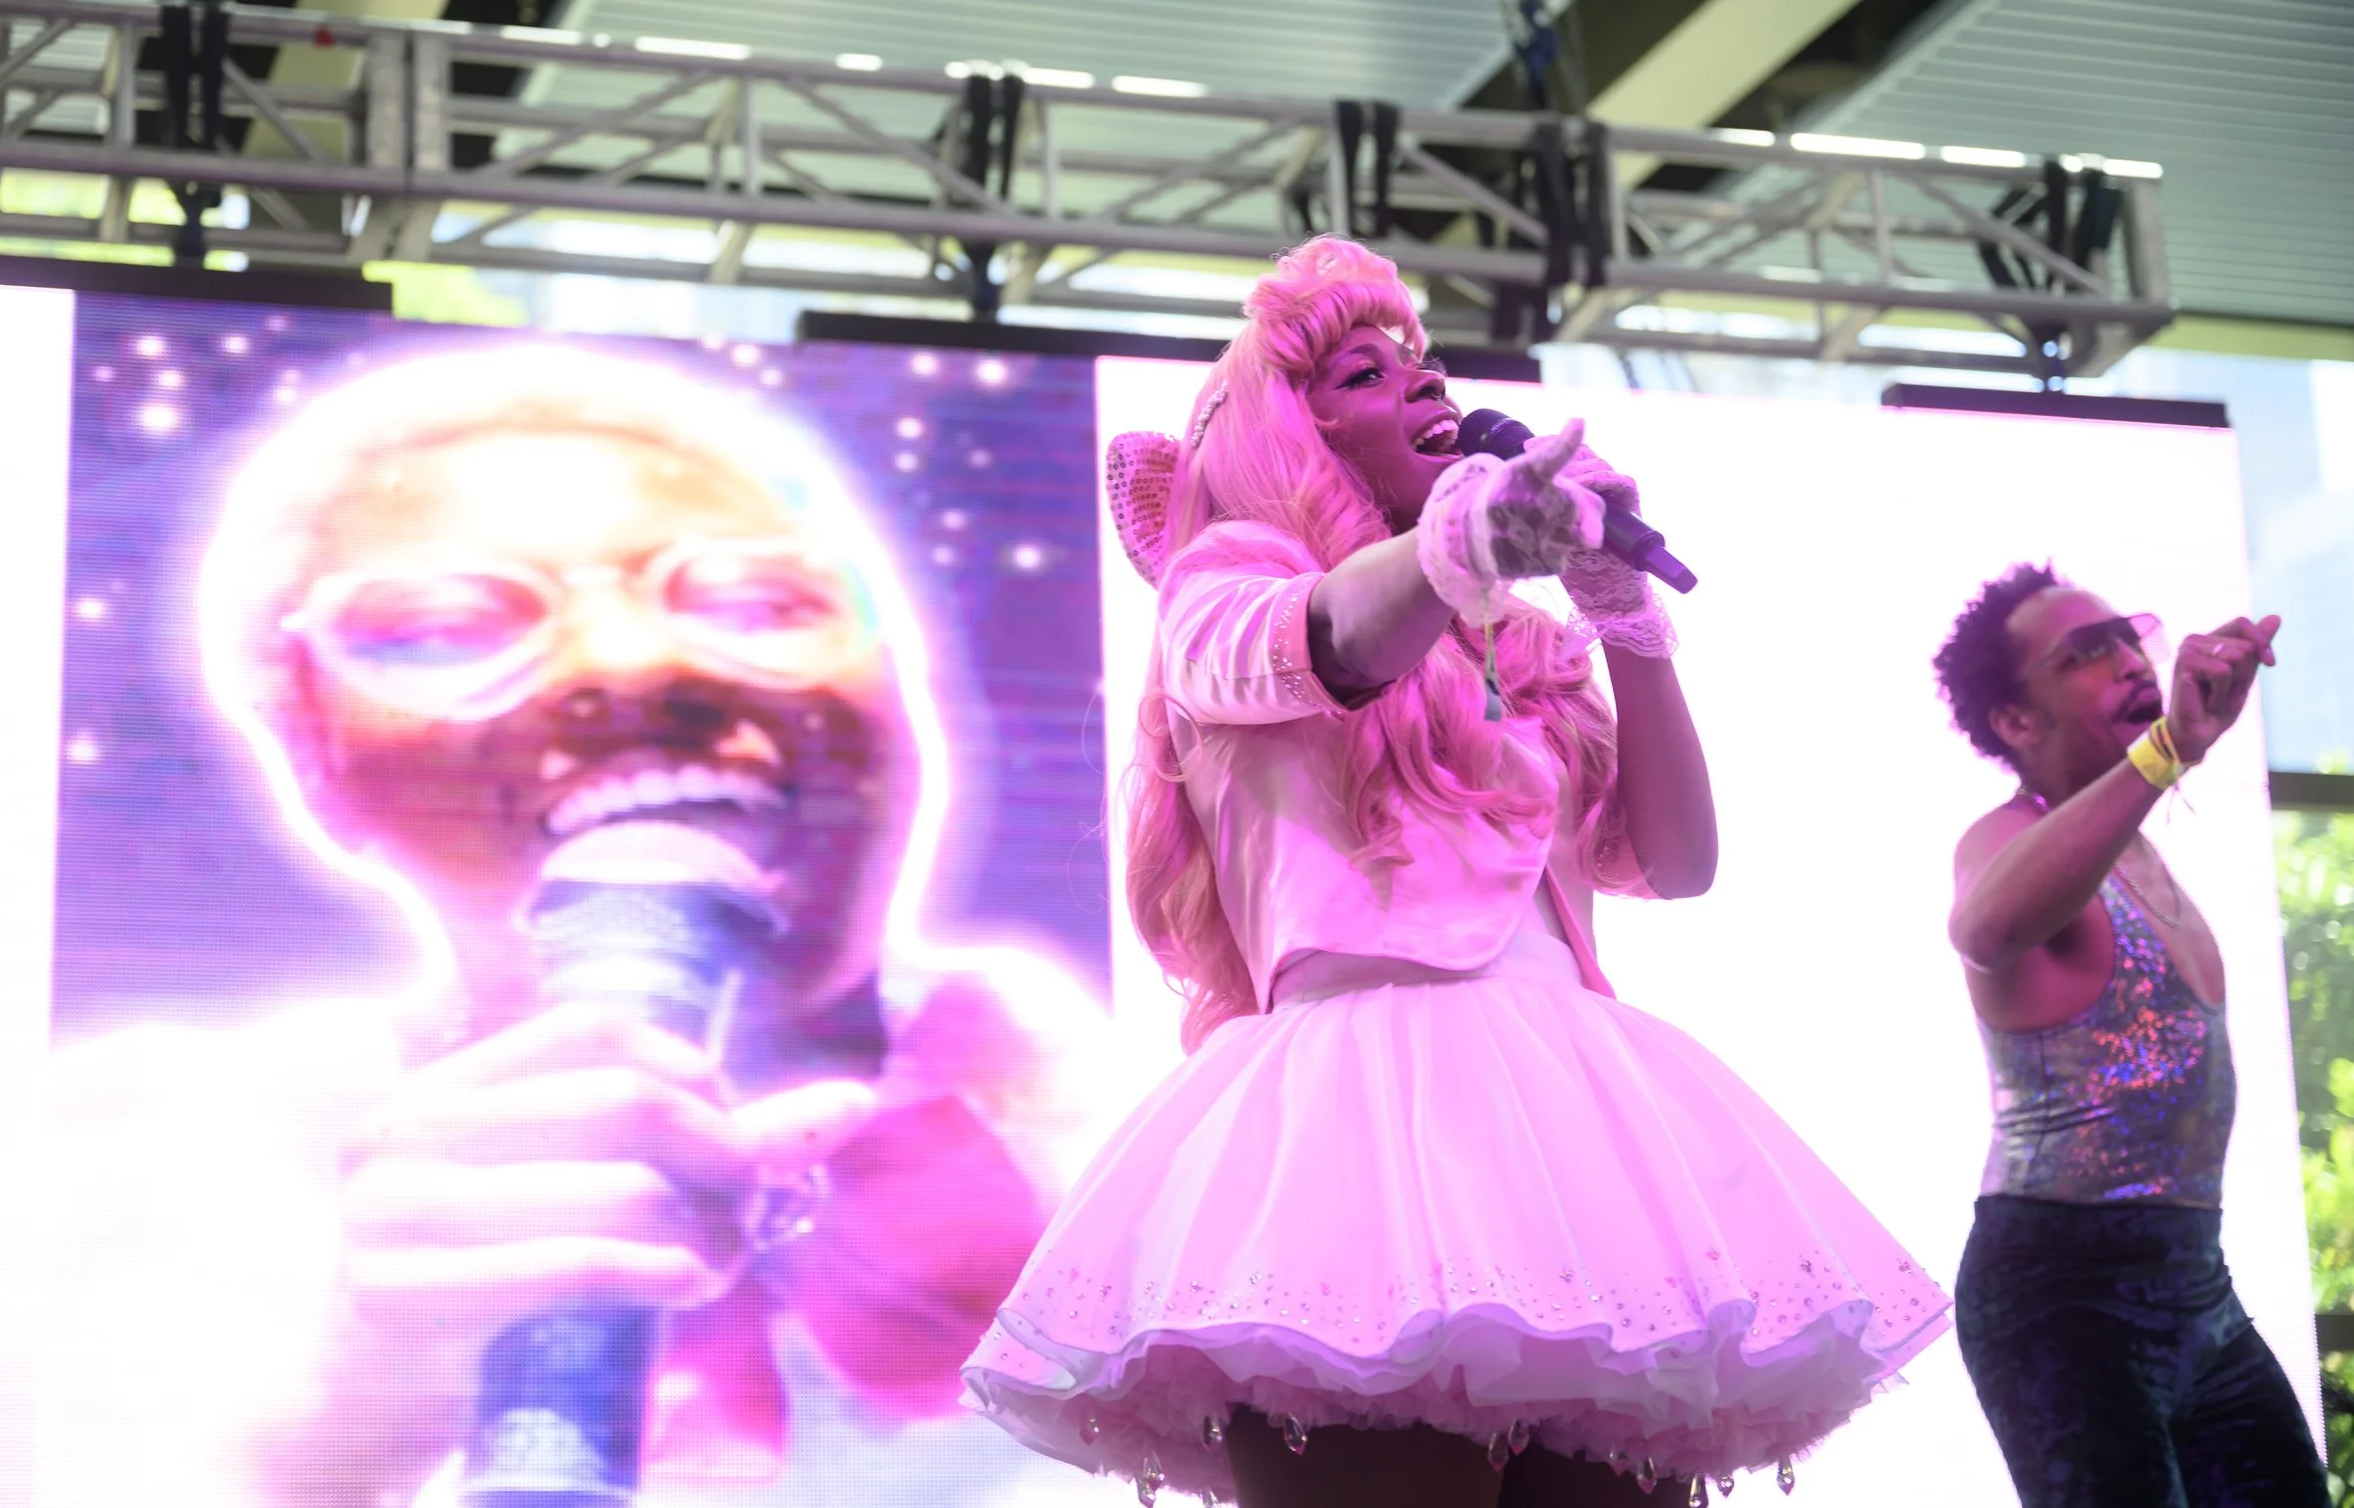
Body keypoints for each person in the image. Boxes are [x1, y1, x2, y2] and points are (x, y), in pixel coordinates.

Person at [962, 237, 1949, 1508]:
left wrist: (1625, 620)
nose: (1424, 385)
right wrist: (1456, 546)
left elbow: (1677, 860)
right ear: (1284, 435)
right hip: (1346, 1129)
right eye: (1365, 373)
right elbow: (1329, 638)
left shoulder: (1519, 645)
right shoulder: (1219, 584)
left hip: (1565, 1124)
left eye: (1423, 363)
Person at [38, 348, 1118, 1507]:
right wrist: (336, 1426)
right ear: (310, 746)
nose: (636, 663)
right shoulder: (137, 1182)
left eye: (756, 602)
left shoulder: (1159, 1106)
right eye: (448, 626)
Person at [1935, 563, 2321, 1507]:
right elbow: (1986, 930)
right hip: (2063, 1292)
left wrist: (2166, 757)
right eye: (2083, 654)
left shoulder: (2140, 844)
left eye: (2123, 637)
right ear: (2018, 723)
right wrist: (2166, 748)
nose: (2124, 661)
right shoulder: (2003, 838)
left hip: (2200, 1285)